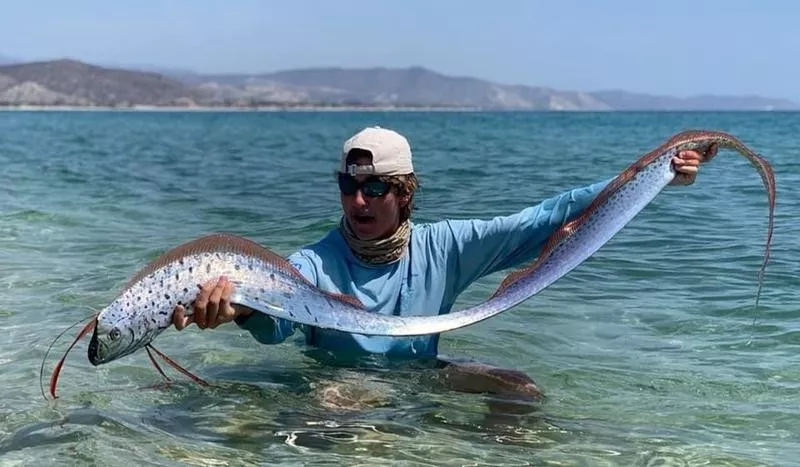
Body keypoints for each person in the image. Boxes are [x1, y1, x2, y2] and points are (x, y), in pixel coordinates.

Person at [172, 126, 713, 404]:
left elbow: (547, 218)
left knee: (520, 390)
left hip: (417, 377)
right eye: (348, 187)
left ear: (404, 193)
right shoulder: (312, 262)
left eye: (374, 188)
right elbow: (277, 326)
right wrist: (238, 312)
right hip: (337, 390)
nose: (358, 202)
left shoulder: (447, 246)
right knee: (350, 407)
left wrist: (655, 173)